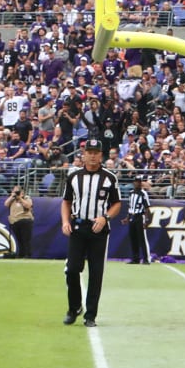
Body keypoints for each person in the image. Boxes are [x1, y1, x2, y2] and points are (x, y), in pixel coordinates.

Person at [61, 138, 121, 327]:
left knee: (96, 272)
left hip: (98, 229)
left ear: (101, 155)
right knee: (72, 269)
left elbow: (117, 203)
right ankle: (74, 307)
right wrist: (65, 221)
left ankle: (91, 315)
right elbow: (66, 201)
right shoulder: (74, 177)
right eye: (90, 152)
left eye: (96, 152)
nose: (93, 156)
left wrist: (105, 218)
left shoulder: (110, 178)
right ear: (84, 154)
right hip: (78, 227)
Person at [126, 176, 151, 264]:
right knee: (133, 238)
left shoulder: (143, 193)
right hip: (132, 217)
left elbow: (147, 208)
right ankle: (135, 259)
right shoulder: (131, 193)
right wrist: (127, 218)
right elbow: (130, 207)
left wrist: (146, 221)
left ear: (141, 183)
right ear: (133, 182)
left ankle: (146, 259)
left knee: (142, 238)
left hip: (140, 216)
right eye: (136, 181)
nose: (137, 183)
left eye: (139, 181)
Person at [4, 185, 34, 259]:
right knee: (19, 239)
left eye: (17, 191)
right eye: (14, 191)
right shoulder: (12, 200)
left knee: (26, 239)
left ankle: (27, 255)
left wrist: (20, 198)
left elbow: (28, 206)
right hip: (15, 221)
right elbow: (6, 204)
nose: (16, 193)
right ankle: (21, 254)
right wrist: (12, 196)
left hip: (25, 220)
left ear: (22, 192)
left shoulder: (26, 198)